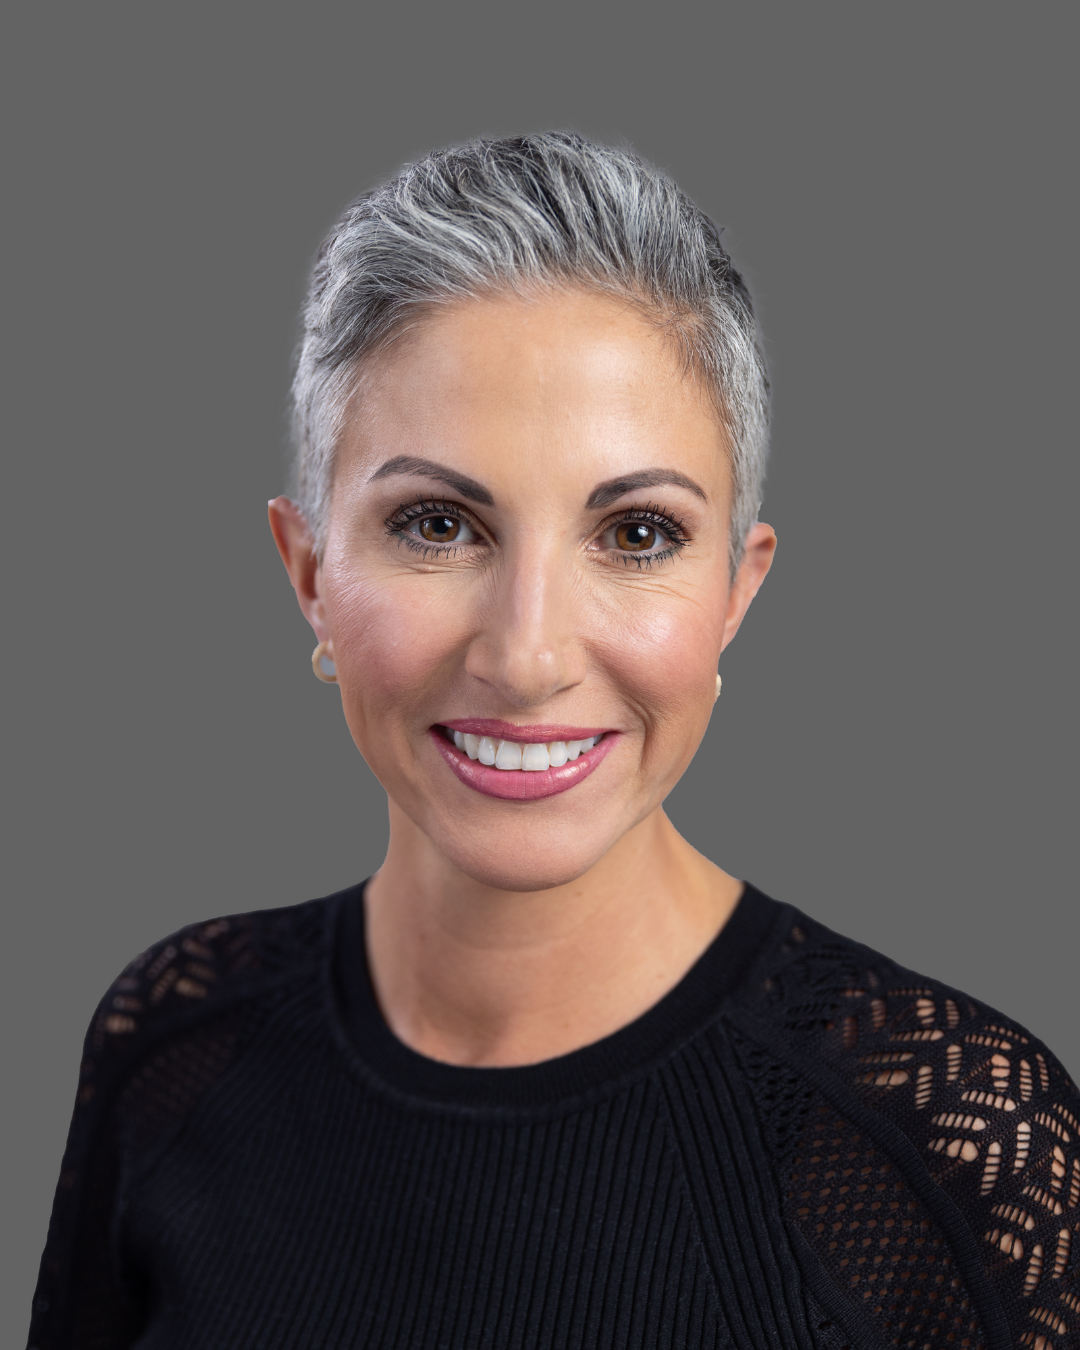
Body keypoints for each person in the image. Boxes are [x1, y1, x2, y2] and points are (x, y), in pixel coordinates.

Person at [29, 132, 1079, 1350]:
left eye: (636, 535)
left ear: (738, 591)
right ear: (309, 573)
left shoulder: (956, 1144)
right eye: (436, 524)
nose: (527, 658)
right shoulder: (172, 1043)